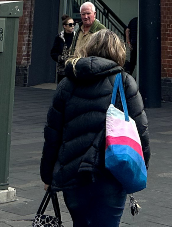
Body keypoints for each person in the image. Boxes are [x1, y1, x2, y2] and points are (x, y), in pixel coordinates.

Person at [41, 29, 150, 227]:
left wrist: (47, 175)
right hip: (111, 175)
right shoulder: (124, 82)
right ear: (118, 52)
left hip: (72, 175)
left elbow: (53, 134)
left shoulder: (68, 82)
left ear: (88, 48)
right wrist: (140, 169)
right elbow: (140, 132)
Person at [50, 16, 77, 80]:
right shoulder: (59, 37)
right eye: (70, 24)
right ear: (64, 26)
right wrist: (61, 58)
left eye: (74, 24)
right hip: (62, 70)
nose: (73, 26)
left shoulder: (76, 37)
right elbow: (53, 53)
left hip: (74, 69)